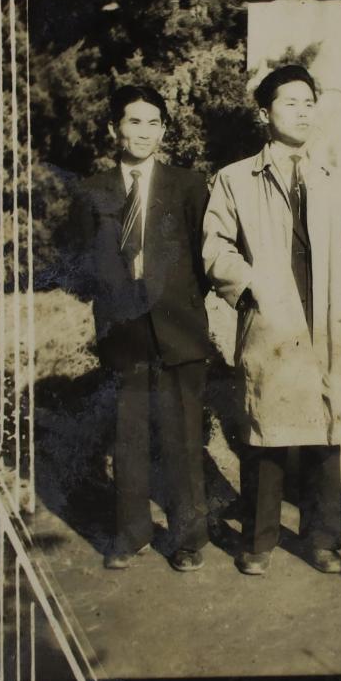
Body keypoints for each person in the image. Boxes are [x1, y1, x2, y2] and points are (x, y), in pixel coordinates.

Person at [202, 65, 341, 577]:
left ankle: (323, 539)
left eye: (308, 102)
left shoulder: (334, 181)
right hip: (271, 322)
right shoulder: (235, 179)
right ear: (264, 113)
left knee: (324, 431)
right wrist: (250, 286)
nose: (302, 112)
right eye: (290, 102)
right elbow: (216, 247)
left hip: (325, 320)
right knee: (265, 433)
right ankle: (258, 540)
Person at [66, 85, 213, 572]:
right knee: (127, 438)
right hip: (122, 333)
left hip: (178, 329)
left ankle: (188, 538)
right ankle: (131, 533)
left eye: (154, 123)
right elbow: (80, 262)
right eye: (134, 121)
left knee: (182, 439)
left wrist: (177, 304)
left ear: (164, 130)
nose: (144, 132)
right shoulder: (93, 190)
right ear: (116, 128)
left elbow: (202, 261)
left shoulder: (188, 185)